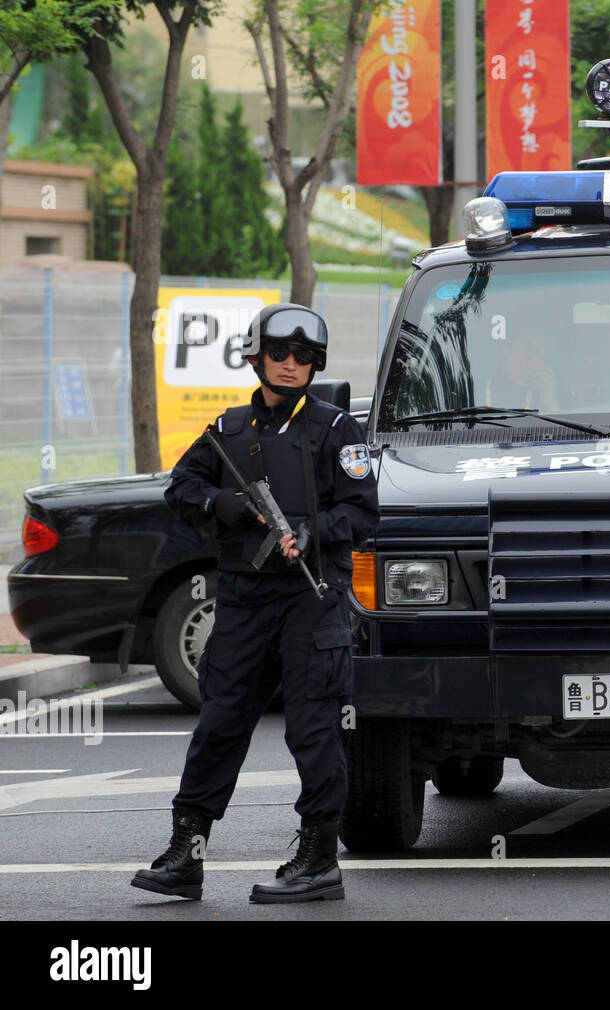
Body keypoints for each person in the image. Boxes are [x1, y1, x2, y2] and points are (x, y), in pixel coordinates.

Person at [131, 303, 379, 904]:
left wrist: (312, 531)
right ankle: (186, 853)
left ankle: (320, 859)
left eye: (303, 357)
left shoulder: (338, 430)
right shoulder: (229, 429)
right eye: (279, 354)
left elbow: (364, 511)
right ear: (257, 357)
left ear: (315, 364)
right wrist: (227, 506)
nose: (290, 365)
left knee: (314, 727)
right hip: (242, 598)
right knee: (219, 724)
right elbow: (181, 487)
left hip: (309, 599)